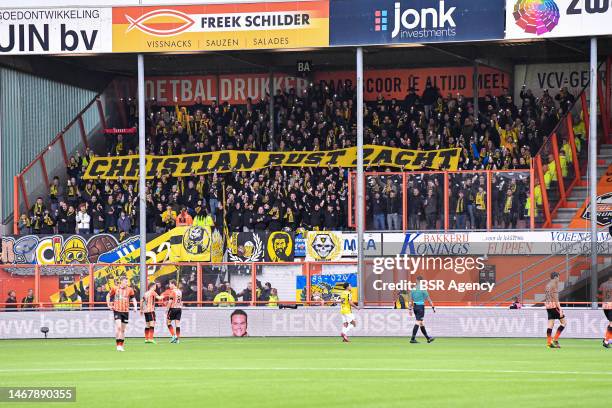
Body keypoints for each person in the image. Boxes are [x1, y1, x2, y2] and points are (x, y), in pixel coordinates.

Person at [106, 276, 138, 352]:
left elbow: (133, 299)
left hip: (126, 311)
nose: (127, 283)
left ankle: (121, 345)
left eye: (127, 282)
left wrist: (135, 306)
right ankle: (118, 345)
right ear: (121, 281)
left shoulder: (130, 290)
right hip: (117, 310)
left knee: (123, 330)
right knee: (119, 327)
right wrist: (108, 304)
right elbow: (108, 295)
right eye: (125, 282)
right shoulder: (115, 288)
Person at [409, 276, 435, 344]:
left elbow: (410, 300)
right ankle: (412, 339)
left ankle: (428, 338)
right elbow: (428, 299)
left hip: (415, 307)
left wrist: (410, 309)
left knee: (421, 323)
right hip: (420, 307)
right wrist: (433, 306)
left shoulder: (413, 289)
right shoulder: (423, 288)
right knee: (418, 322)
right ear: (421, 281)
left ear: (416, 281)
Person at [545, 272, 566, 349]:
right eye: (558, 277)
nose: (559, 279)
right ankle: (555, 339)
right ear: (555, 277)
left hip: (547, 305)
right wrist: (560, 309)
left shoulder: (547, 285)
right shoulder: (554, 285)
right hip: (553, 305)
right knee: (564, 322)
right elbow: (556, 298)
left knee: (550, 324)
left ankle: (549, 342)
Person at [598, 276, 612, 348]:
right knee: (611, 324)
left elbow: (598, 294)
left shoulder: (603, 284)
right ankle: (606, 342)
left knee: (610, 323)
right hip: (611, 305)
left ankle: (606, 338)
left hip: (604, 306)